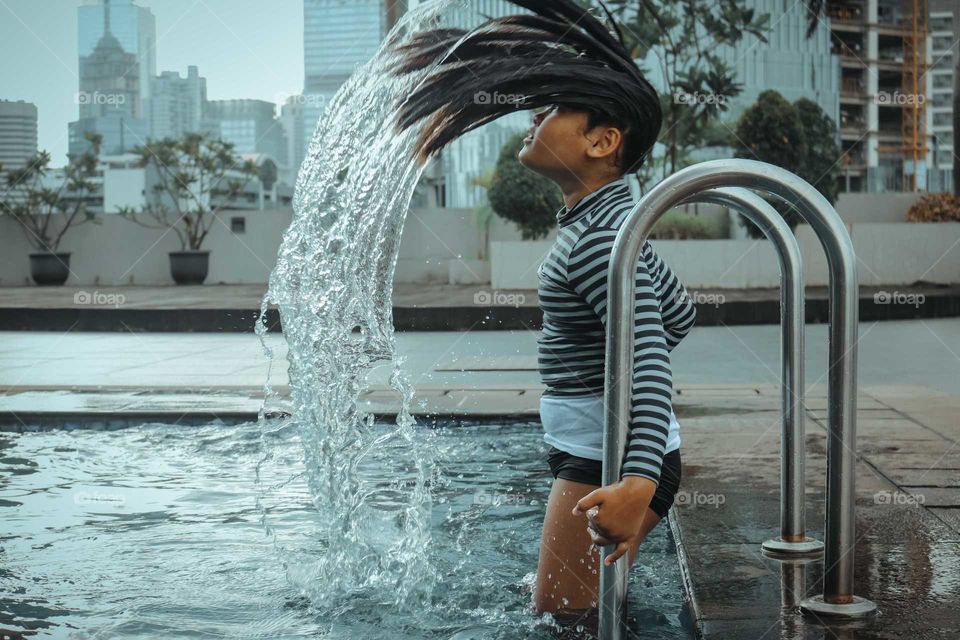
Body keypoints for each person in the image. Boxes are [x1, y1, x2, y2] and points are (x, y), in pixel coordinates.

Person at [388, 0, 697, 626]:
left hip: (607, 460)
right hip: (607, 450)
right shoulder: (612, 229)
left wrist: (635, 483)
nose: (535, 116)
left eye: (556, 109)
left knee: (564, 616)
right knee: (590, 608)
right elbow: (679, 314)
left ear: (603, 141)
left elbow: (649, 362)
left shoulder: (601, 243)